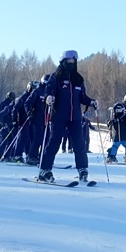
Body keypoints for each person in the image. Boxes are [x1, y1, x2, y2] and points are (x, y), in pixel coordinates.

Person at [37, 50, 97, 183]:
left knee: (79, 144)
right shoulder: (55, 78)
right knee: (54, 142)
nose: (71, 64)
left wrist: (91, 102)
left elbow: (82, 97)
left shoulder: (78, 79)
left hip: (75, 118)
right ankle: (44, 170)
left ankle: (82, 169)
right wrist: (48, 98)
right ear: (63, 62)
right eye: (68, 61)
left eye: (73, 62)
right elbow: (48, 92)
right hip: (58, 116)